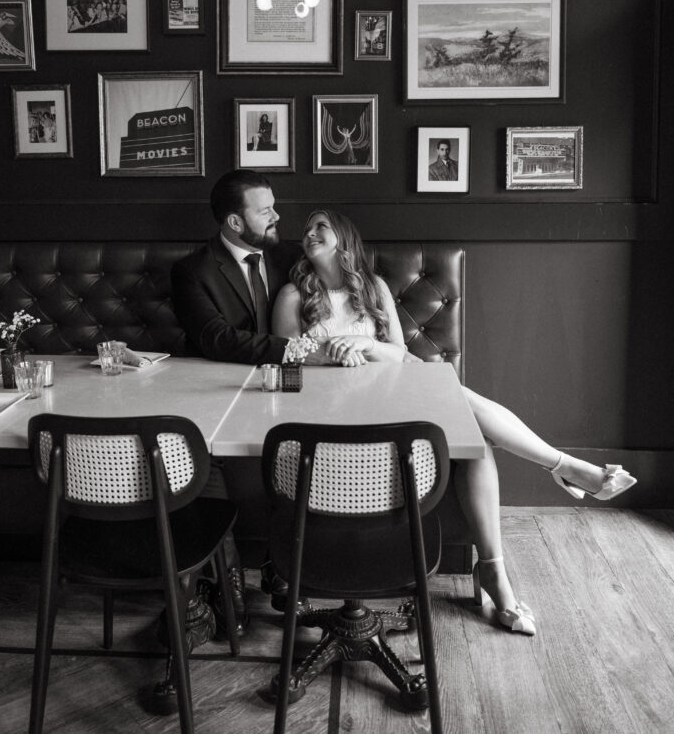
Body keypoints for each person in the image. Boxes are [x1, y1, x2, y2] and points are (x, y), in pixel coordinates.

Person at [272, 208, 637, 636]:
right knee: (473, 425)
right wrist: (334, 356)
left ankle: (499, 568)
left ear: (344, 238)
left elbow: (396, 351)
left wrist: (360, 344)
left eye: (321, 226)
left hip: (394, 395)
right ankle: (562, 470)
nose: (310, 233)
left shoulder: (373, 288)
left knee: (475, 436)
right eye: (307, 229)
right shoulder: (292, 296)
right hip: (331, 413)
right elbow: (286, 359)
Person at [171, 170, 301, 633]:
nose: (276, 216)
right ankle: (221, 585)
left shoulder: (289, 257)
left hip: (289, 392)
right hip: (220, 393)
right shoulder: (193, 270)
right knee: (204, 461)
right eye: (264, 210)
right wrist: (293, 349)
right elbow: (215, 338)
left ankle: (280, 567)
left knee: (302, 450)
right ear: (233, 221)